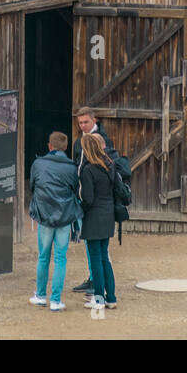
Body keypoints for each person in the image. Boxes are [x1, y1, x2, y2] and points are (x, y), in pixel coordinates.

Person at [27, 131, 82, 312]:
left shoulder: (38, 164)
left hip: (44, 215)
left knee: (43, 257)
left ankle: (41, 296)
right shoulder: (72, 167)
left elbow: (32, 186)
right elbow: (75, 189)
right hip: (65, 216)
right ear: (65, 147)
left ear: (49, 146)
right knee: (60, 258)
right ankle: (56, 300)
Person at [71, 106, 115, 294]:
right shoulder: (77, 142)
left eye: (85, 122)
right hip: (90, 199)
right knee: (95, 251)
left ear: (94, 121)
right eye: (80, 123)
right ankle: (95, 281)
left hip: (97, 201)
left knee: (100, 252)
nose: (83, 126)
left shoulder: (103, 140)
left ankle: (101, 289)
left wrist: (85, 201)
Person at [78, 132, 117, 311]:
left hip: (94, 217)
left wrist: (80, 209)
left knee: (95, 260)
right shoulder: (109, 165)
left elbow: (88, 198)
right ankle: (112, 297)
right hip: (108, 214)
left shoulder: (88, 170)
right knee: (104, 258)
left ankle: (99, 298)